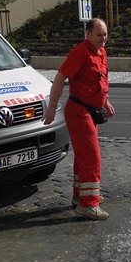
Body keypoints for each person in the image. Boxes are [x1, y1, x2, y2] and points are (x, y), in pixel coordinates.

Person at [43, 18, 115, 220]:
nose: (103, 38)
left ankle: (80, 197)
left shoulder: (101, 53)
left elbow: (101, 79)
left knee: (84, 156)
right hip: (79, 111)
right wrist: (51, 108)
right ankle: (88, 205)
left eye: (105, 34)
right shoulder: (80, 52)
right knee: (92, 157)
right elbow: (59, 78)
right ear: (88, 34)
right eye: (99, 34)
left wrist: (105, 101)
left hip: (92, 110)